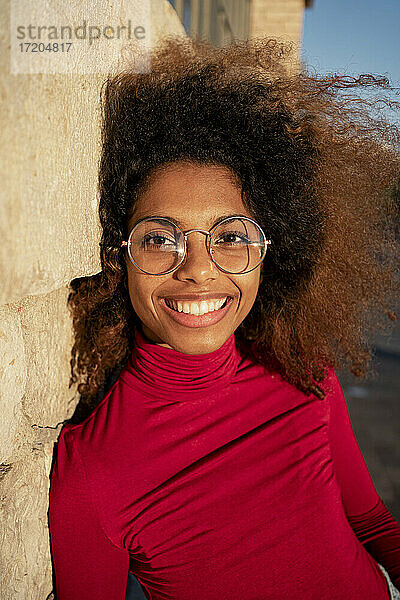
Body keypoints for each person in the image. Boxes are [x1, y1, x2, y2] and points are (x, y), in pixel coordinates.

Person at [48, 36, 400, 599]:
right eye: (160, 239)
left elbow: (373, 523)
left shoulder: (304, 370)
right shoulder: (93, 473)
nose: (199, 271)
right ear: (119, 259)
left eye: (231, 237)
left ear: (269, 252)